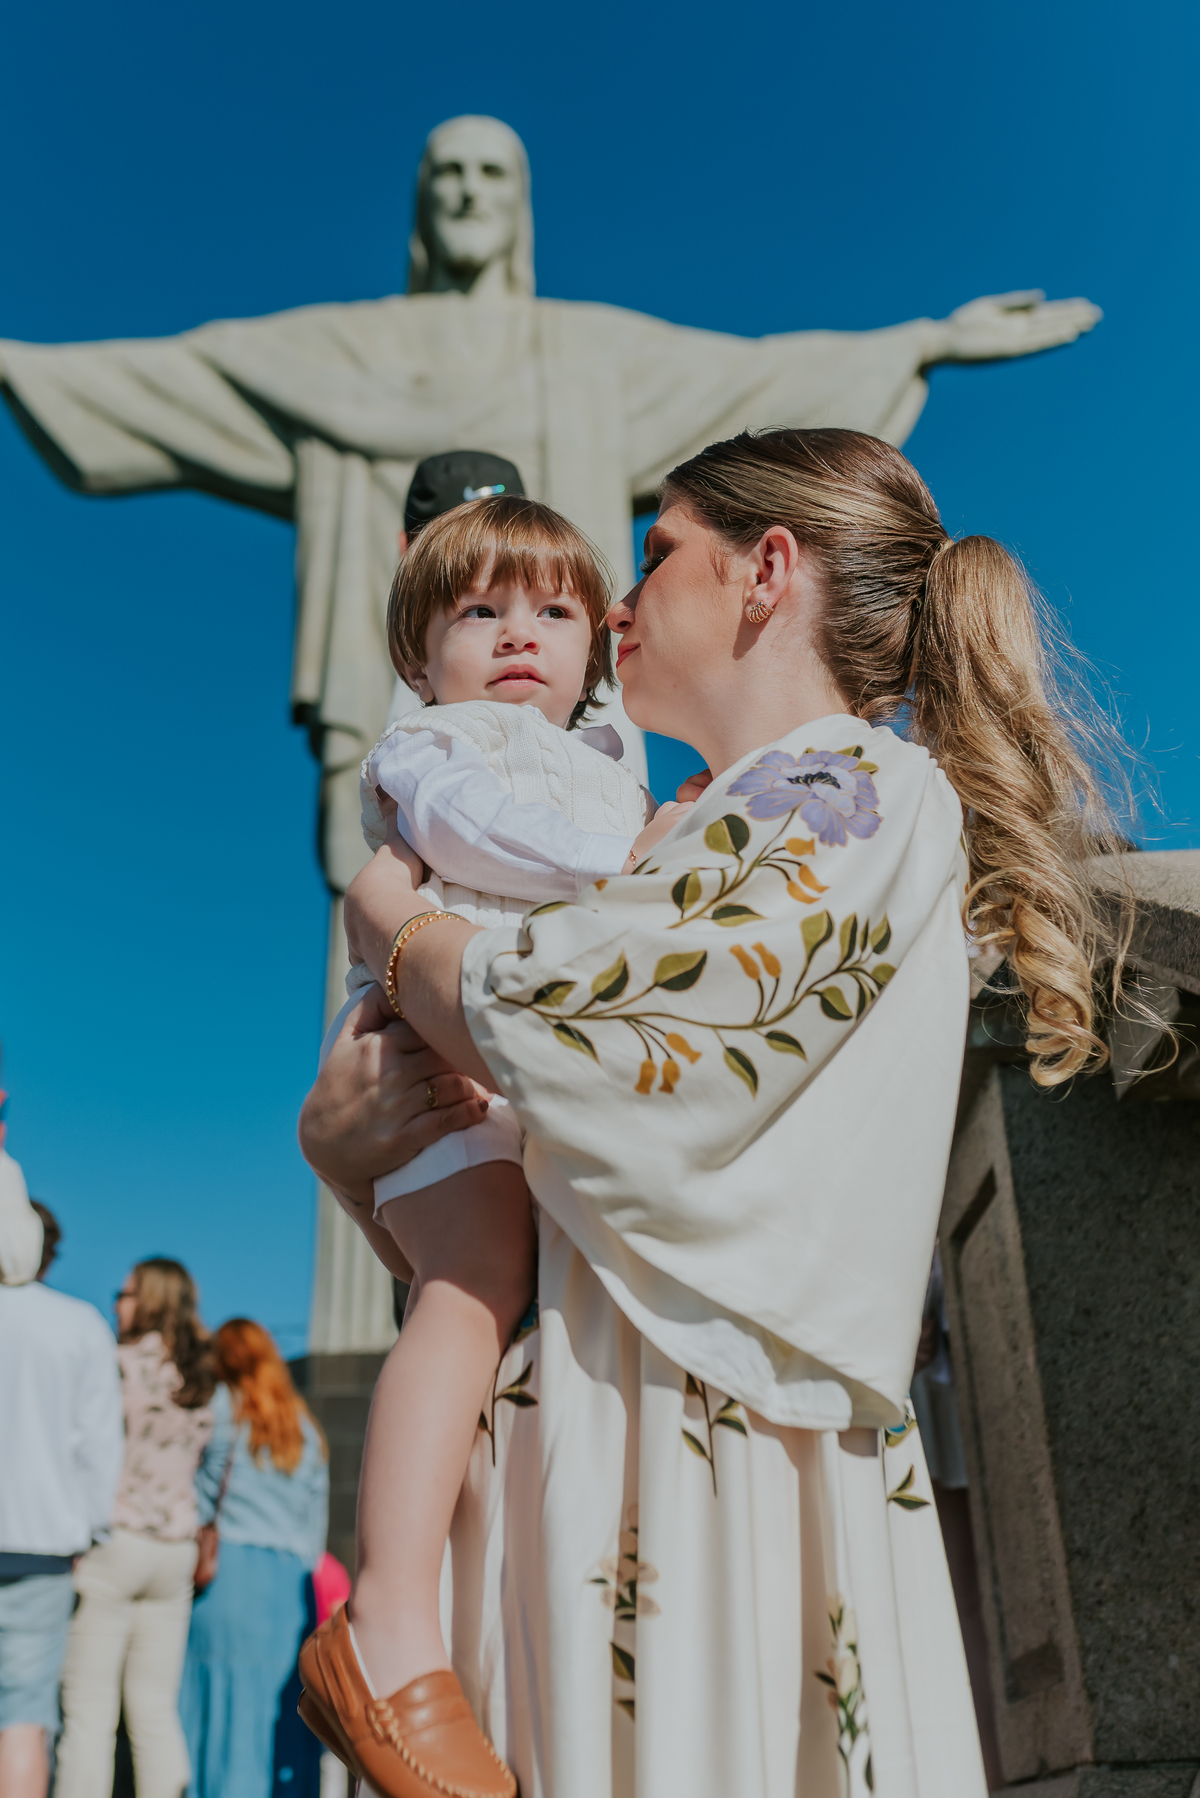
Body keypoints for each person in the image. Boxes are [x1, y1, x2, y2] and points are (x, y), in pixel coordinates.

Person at [299, 426, 1134, 1798]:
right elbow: (538, 1211)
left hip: (713, 1460)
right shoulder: (686, 826)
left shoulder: (857, 790)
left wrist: (390, 923)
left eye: (655, 555)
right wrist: (345, 1153)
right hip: (587, 1433)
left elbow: (581, 1038)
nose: (619, 605)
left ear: (767, 572)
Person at [301, 496, 681, 1793]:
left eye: (555, 609)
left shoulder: (606, 754)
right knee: (467, 1289)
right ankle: (387, 1625)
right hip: (434, 1071)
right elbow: (473, 841)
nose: (521, 633)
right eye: (481, 610)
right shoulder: (439, 744)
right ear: (420, 654)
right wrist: (634, 862)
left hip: (529, 1074)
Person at [56, 1259, 215, 1798]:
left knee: (88, 1713)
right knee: (153, 1711)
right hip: (175, 1551)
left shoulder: (116, 1363)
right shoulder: (200, 1379)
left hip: (116, 1541)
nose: (116, 1303)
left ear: (148, 1300)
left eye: (124, 1294)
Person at [0, 1166, 123, 1798]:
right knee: (24, 1714)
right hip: (43, 1542)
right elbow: (101, 1446)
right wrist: (90, 1530)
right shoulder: (79, 1326)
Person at [181, 1318, 328, 1798]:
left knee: (217, 1709)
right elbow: (315, 1531)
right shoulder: (304, 1428)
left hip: (229, 1578)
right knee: (281, 1713)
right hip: (290, 1589)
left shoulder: (219, 1409)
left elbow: (196, 1500)